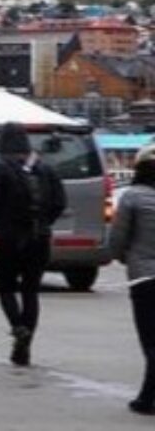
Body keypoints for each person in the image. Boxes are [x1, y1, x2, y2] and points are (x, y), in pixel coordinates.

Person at [0, 122, 66, 367]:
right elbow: (59, 202)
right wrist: (43, 223)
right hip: (39, 238)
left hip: (9, 238)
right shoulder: (45, 169)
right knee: (31, 291)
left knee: (6, 287)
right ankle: (25, 346)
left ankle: (17, 327)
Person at [112, 143, 155, 416]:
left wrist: (122, 257)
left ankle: (147, 398)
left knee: (151, 340)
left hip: (145, 278)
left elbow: (117, 239)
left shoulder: (132, 197)